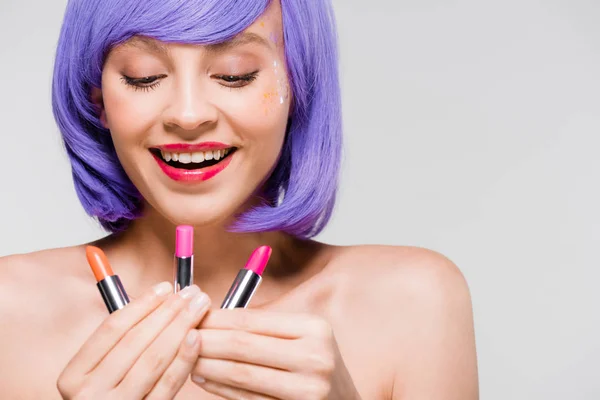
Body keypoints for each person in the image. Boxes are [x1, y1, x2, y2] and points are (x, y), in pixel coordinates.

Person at [0, 0, 479, 398]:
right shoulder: (11, 311)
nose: (188, 116)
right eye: (143, 76)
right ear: (97, 98)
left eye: (235, 74)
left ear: (299, 86)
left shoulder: (412, 302)